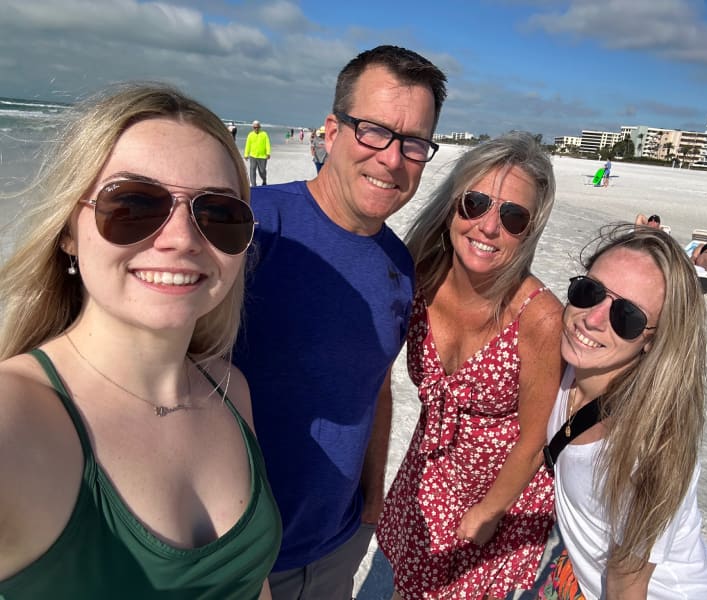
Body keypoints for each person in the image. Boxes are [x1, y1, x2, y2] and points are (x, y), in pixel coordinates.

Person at [0, 83, 281, 598]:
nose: (182, 238)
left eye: (219, 214)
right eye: (132, 204)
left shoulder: (229, 390)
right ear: (67, 229)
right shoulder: (16, 417)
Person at [233, 45, 447, 600]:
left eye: (414, 143)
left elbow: (374, 386)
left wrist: (372, 499)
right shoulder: (252, 227)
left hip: (337, 545)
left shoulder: (400, 265)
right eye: (374, 131)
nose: (392, 159)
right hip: (234, 557)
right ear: (331, 132)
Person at [376, 132, 564, 599]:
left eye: (513, 216)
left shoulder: (539, 317)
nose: (488, 226)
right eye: (475, 203)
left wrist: (490, 511)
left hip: (500, 496)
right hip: (427, 476)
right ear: (452, 206)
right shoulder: (421, 276)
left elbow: (535, 436)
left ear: (530, 230)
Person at [538, 225, 707, 599]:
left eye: (627, 317)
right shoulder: (569, 366)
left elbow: (628, 586)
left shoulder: (646, 448)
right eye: (589, 292)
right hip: (585, 577)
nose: (592, 319)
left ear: (653, 339)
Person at [245, 120, 271, 185]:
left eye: (257, 127)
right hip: (253, 156)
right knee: (252, 170)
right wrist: (246, 154)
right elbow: (248, 145)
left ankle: (264, 180)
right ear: (253, 127)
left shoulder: (264, 134)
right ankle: (254, 185)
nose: (256, 129)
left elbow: (267, 143)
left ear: (260, 127)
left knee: (262, 171)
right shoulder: (250, 135)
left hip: (262, 156)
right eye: (255, 127)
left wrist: (268, 153)